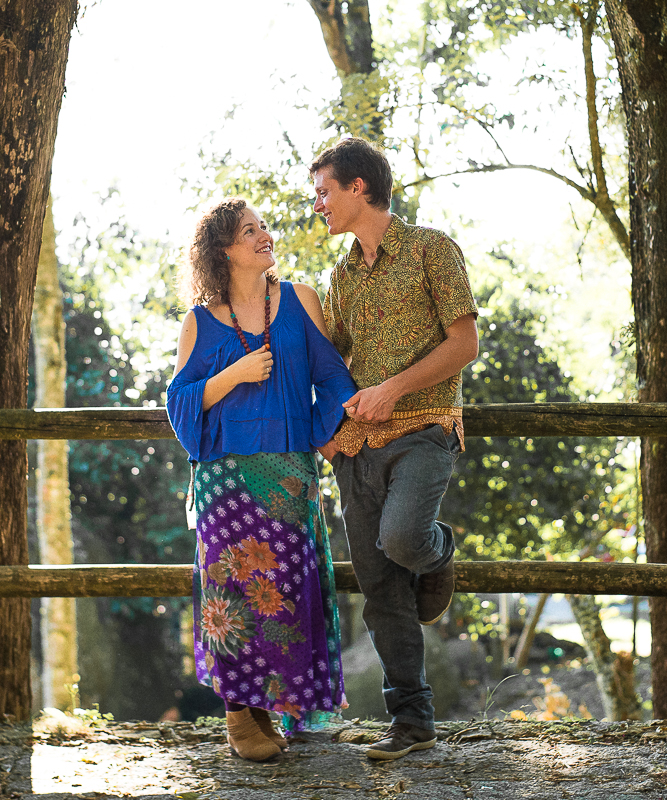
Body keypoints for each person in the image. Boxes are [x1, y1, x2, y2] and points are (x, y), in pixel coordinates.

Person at [167, 197, 358, 762]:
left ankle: (270, 709)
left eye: (263, 226)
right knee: (231, 597)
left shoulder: (300, 300)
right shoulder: (199, 322)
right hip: (224, 480)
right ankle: (239, 717)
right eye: (249, 231)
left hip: (290, 476)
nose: (263, 236)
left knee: (285, 595)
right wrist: (234, 374)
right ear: (224, 250)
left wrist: (318, 432)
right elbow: (180, 405)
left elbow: (334, 378)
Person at [311, 137, 479, 761]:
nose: (318, 204)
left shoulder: (432, 249)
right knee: (381, 593)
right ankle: (412, 722)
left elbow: (464, 344)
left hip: (426, 430)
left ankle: (439, 553)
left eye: (324, 192)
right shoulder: (341, 275)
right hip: (357, 449)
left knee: (405, 541)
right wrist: (328, 437)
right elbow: (330, 363)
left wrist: (392, 390)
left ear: (358, 187)